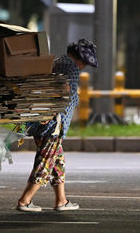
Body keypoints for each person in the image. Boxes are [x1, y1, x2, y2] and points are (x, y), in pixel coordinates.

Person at [16, 39, 98, 212]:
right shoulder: (72, 68)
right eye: (85, 63)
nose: (84, 67)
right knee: (45, 162)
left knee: (57, 163)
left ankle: (61, 200)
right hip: (54, 125)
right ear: (81, 59)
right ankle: (25, 200)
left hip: (43, 120)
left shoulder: (57, 61)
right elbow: (65, 92)